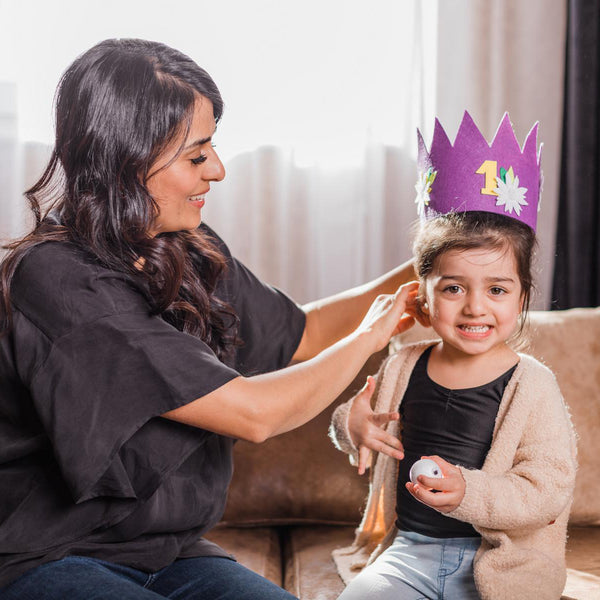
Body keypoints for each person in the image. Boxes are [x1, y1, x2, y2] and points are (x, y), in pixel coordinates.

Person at [0, 39, 418, 600]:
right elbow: (254, 414)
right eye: (197, 156)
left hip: (167, 553)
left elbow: (305, 334)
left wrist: (433, 263)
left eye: (212, 148)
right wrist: (374, 334)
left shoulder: (183, 246)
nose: (218, 170)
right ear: (126, 157)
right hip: (49, 557)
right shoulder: (55, 278)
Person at [329, 112, 577, 600]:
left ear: (523, 298)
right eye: (453, 287)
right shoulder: (403, 363)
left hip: (502, 562)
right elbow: (367, 425)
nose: (475, 306)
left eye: (498, 289)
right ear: (422, 295)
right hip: (408, 556)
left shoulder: (534, 384)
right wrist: (349, 427)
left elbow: (546, 489)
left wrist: (468, 491)